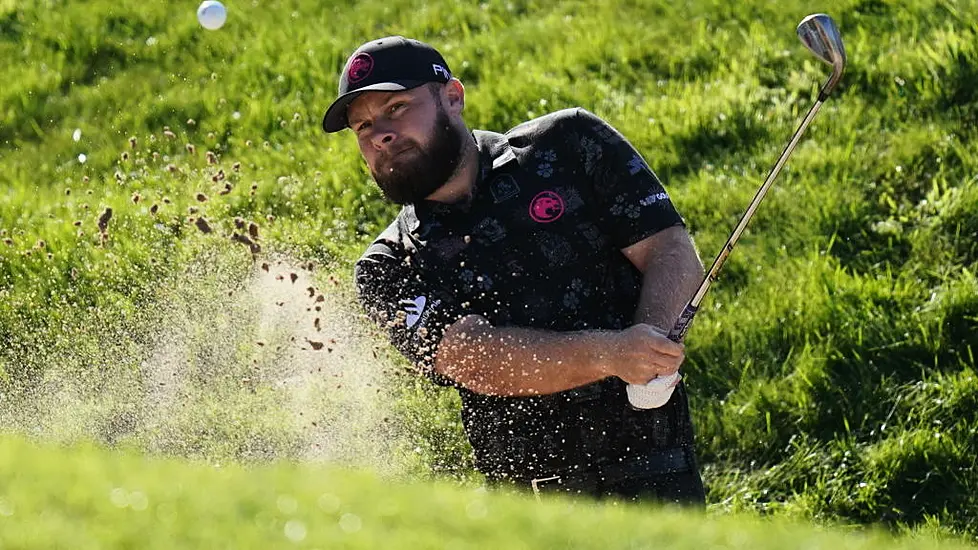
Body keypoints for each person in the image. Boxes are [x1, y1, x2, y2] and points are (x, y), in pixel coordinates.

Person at [322, 36, 707, 506]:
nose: (379, 134)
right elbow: (476, 361)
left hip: (660, 473)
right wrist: (613, 354)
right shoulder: (388, 267)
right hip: (532, 506)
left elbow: (667, 247)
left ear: (453, 97)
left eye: (397, 108)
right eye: (362, 127)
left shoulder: (570, 145)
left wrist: (651, 342)